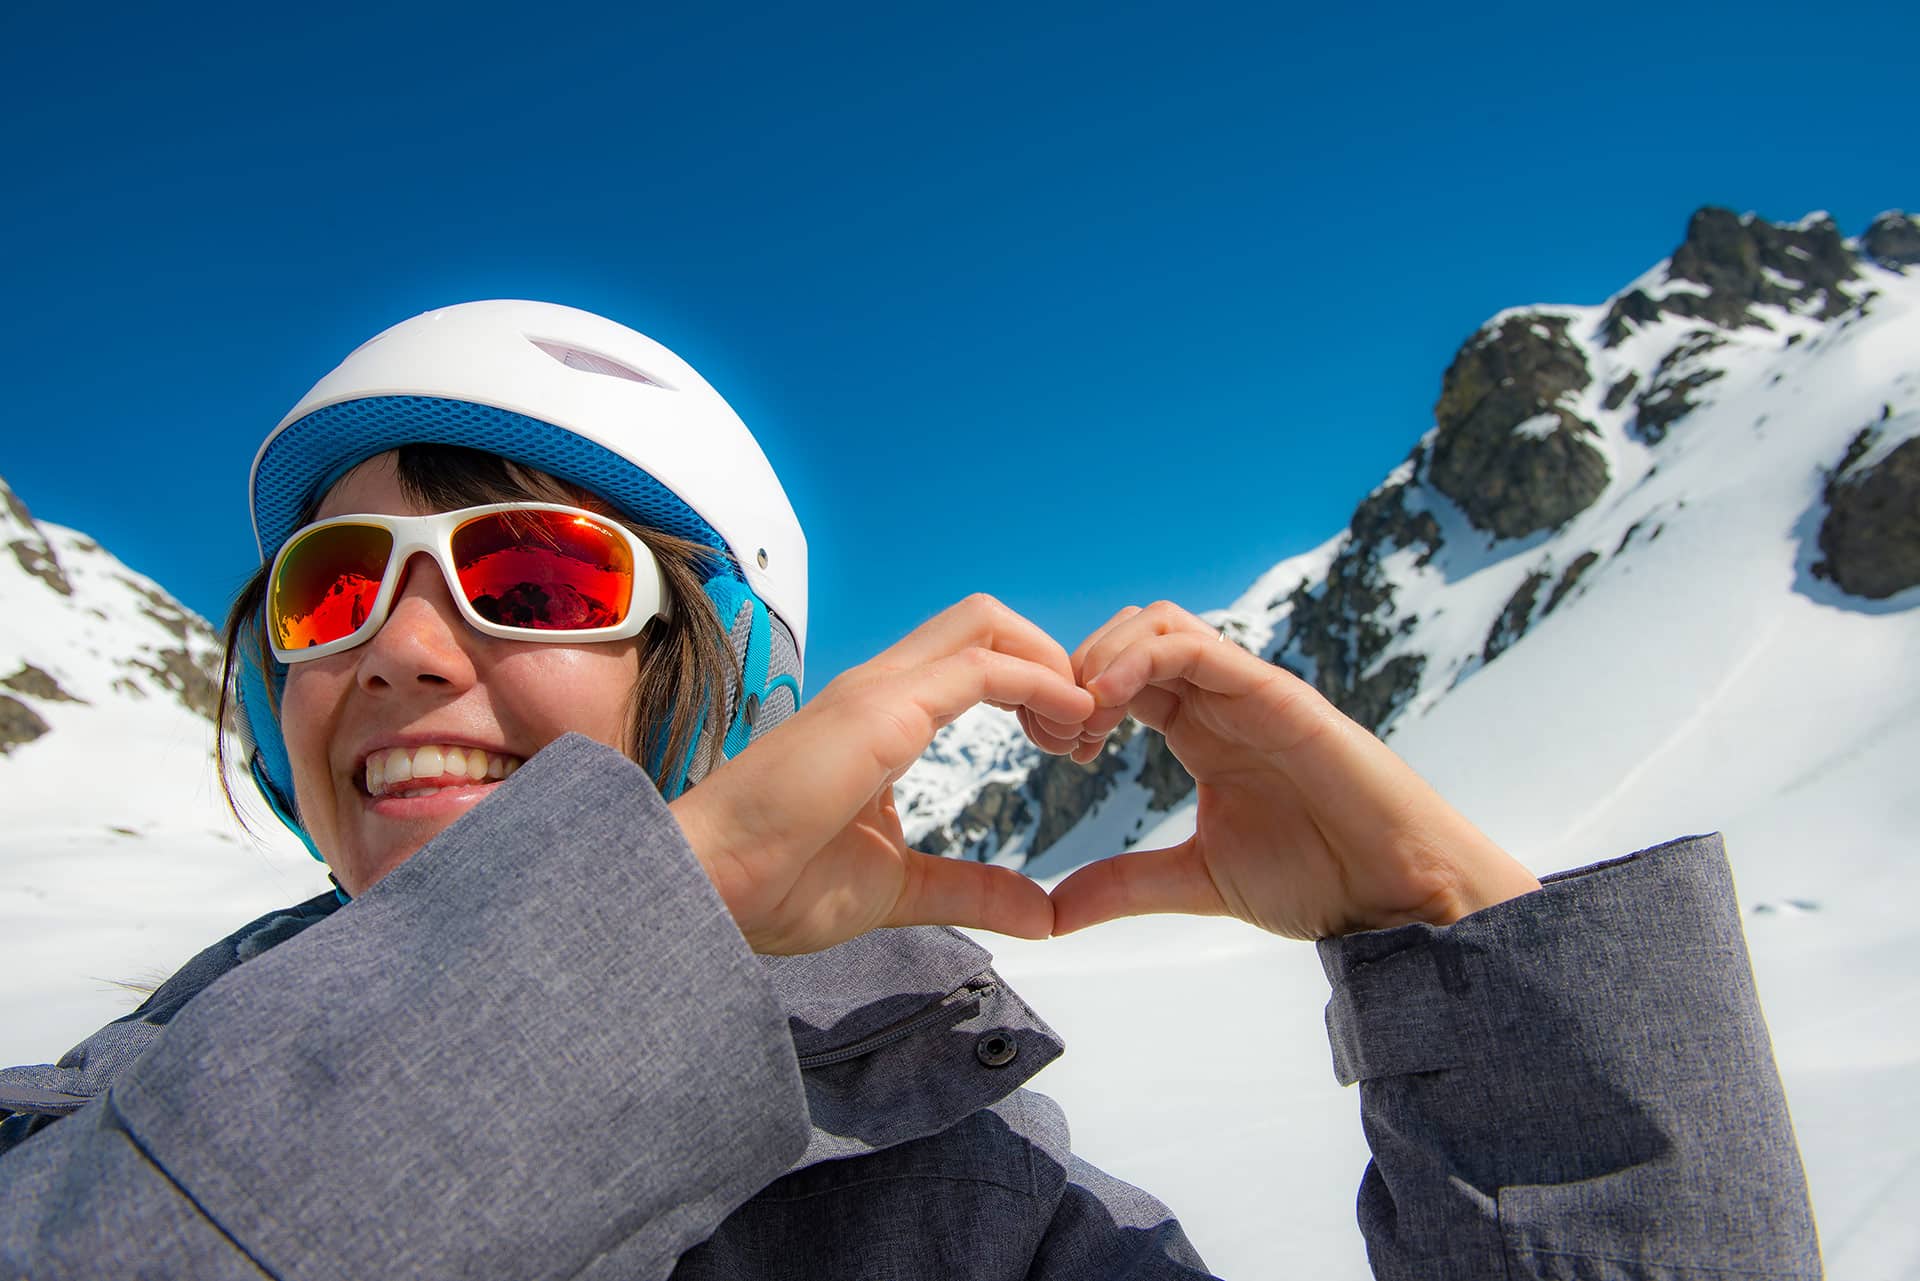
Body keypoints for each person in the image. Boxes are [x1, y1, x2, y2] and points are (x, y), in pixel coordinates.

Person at [0, 301, 1822, 1278]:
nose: (394, 651)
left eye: (531, 578)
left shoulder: (953, 1211)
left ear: (735, 698)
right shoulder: (69, 1137)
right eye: (328, 590)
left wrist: (1487, 994)